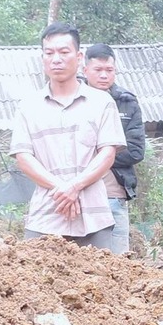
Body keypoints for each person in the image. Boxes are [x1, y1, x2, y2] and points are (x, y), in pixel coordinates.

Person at [12, 23, 125, 248]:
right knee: (34, 281)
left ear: (79, 56)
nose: (56, 59)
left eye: (64, 52)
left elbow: (107, 154)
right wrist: (63, 189)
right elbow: (23, 157)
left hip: (94, 218)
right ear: (42, 58)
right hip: (45, 217)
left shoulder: (102, 103)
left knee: (100, 281)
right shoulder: (28, 106)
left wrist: (75, 186)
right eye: (49, 53)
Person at [82, 43, 147, 256]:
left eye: (109, 70)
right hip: (78, 196)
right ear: (85, 71)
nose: (103, 75)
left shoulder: (126, 102)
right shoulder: (72, 102)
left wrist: (98, 155)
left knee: (120, 262)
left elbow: (136, 151)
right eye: (97, 70)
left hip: (114, 195)